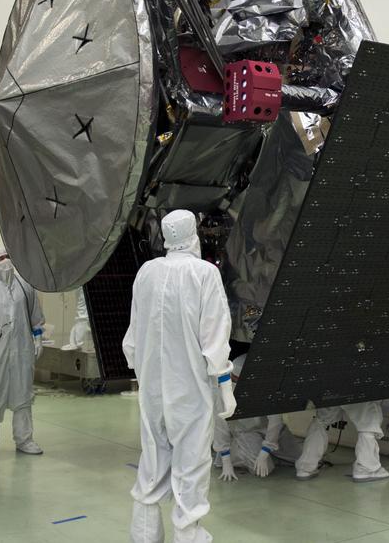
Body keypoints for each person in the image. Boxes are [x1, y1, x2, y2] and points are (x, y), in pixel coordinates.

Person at [123, 210, 232, 543]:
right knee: (192, 463)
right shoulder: (203, 274)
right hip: (190, 392)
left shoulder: (146, 272)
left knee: (153, 460)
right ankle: (187, 533)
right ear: (193, 235)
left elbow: (134, 335)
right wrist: (225, 386)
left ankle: (144, 536)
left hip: (152, 390)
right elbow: (214, 335)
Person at [0, 247, 45, 460]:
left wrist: (38, 337)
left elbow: (35, 316)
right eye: (1, 258)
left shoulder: (25, 286)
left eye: (9, 257)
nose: (6, 261)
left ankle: (24, 439)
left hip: (21, 350)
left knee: (22, 394)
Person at [213, 355, 301, 481]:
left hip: (266, 427)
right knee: (265, 469)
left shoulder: (264, 383)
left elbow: (275, 420)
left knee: (298, 459)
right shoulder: (223, 391)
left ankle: (267, 453)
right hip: (246, 432)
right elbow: (220, 426)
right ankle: (231, 453)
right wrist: (226, 460)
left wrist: (265, 450)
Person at [294, 401, 389, 482]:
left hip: (330, 387)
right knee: (368, 420)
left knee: (321, 421)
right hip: (357, 386)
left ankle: (305, 467)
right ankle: (367, 468)